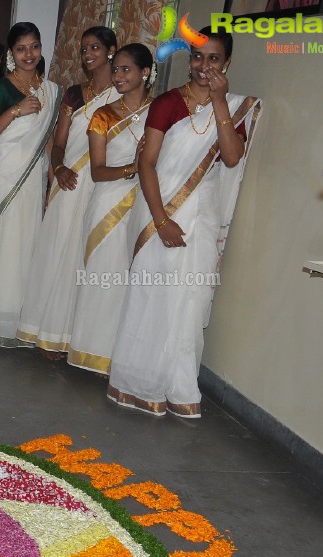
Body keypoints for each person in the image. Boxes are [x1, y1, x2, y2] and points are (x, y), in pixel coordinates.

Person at [108, 29, 260, 418]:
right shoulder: (167, 103)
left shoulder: (235, 107)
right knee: (151, 295)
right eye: (197, 57)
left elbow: (230, 158)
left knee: (191, 300)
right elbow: (147, 163)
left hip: (201, 215)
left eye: (213, 58)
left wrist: (221, 102)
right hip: (159, 213)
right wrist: (162, 221)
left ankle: (179, 386)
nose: (203, 66)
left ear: (226, 64)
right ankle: (138, 381)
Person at [16, 26, 117, 355]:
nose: (87, 54)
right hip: (69, 182)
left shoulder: (124, 94)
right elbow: (59, 143)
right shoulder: (74, 94)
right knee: (58, 249)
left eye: (95, 48)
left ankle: (79, 337)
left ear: (111, 51)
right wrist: (58, 168)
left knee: (89, 256)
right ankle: (47, 330)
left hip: (104, 185)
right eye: (84, 48)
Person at [0, 22, 60, 347]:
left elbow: (46, 143)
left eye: (34, 46)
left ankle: (20, 318)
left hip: (32, 179)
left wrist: (52, 181)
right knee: (5, 243)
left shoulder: (50, 90)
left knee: (26, 243)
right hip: (4, 177)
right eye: (21, 48)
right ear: (11, 53)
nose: (29, 54)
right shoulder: (2, 88)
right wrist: (16, 111)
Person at [68, 44, 153, 376]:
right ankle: (91, 352)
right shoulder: (103, 115)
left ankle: (124, 354)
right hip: (107, 202)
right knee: (103, 277)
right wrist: (133, 168)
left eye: (126, 69)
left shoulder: (161, 113)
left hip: (145, 202)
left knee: (131, 280)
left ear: (145, 72)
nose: (117, 76)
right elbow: (97, 171)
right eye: (115, 69)